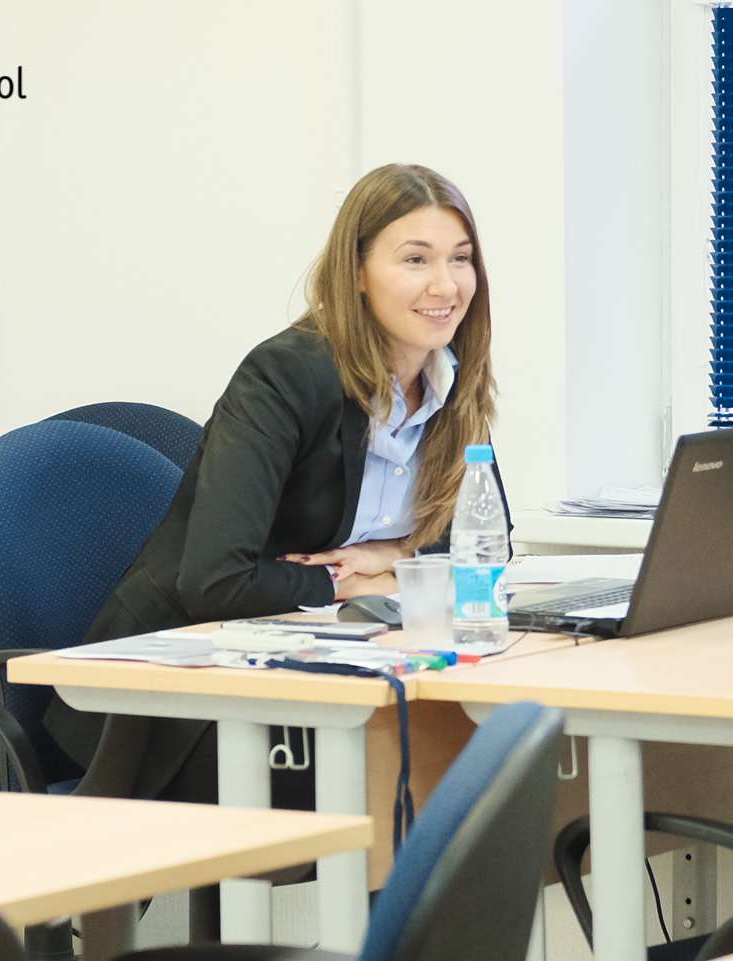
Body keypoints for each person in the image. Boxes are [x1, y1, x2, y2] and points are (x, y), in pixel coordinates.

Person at [48, 162, 502, 803]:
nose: (445, 284)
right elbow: (216, 581)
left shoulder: (451, 379)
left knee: (470, 749)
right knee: (403, 775)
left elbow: (484, 546)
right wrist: (346, 581)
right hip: (174, 694)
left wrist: (392, 556)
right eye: (415, 259)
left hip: (325, 663)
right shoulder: (285, 376)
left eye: (460, 258)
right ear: (357, 273)